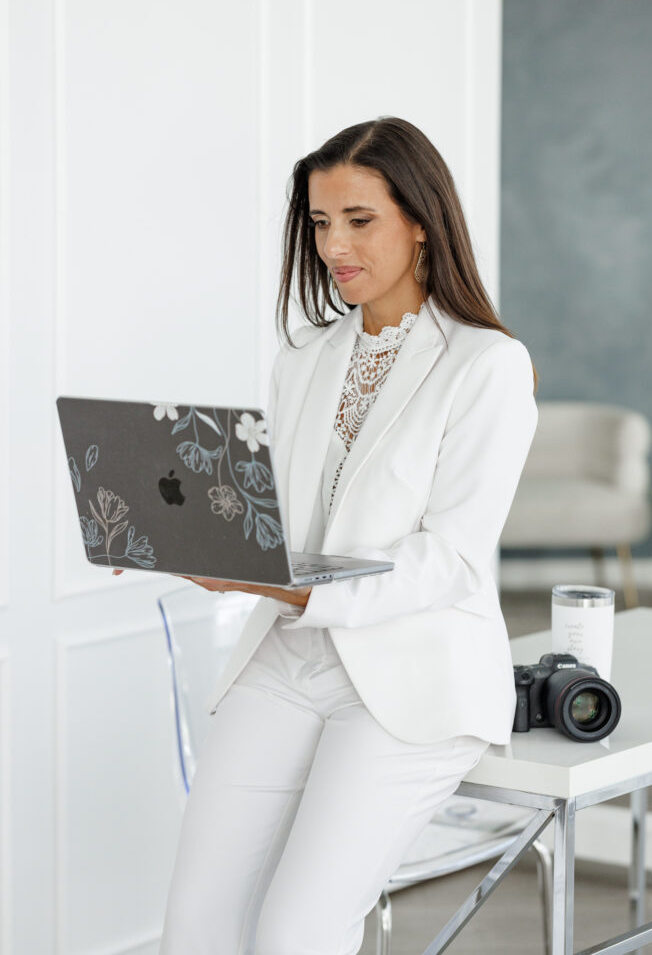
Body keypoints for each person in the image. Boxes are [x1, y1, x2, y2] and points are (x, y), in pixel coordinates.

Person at [156, 116, 539, 955]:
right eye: (321, 222)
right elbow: (285, 523)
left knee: (295, 935)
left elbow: (451, 557)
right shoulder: (303, 358)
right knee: (194, 927)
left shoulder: (486, 366)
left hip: (407, 681)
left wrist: (285, 583)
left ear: (420, 220)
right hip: (287, 660)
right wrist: (197, 539)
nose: (334, 245)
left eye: (357, 220)